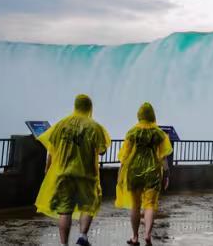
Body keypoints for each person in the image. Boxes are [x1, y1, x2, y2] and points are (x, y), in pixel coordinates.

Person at [35, 94, 111, 246]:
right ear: (89, 107)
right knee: (88, 205)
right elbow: (102, 151)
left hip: (63, 173)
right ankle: (82, 237)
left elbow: (51, 150)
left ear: (75, 106)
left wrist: (47, 169)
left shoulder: (61, 124)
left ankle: (64, 244)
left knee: (65, 210)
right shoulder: (94, 127)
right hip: (86, 174)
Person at [115, 102, 173, 246]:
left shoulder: (132, 132)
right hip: (153, 172)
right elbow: (163, 157)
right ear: (152, 115)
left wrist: (120, 173)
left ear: (139, 115)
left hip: (134, 171)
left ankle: (135, 237)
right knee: (150, 205)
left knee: (135, 206)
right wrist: (166, 174)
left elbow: (124, 156)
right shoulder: (159, 134)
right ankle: (147, 234)